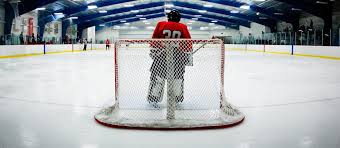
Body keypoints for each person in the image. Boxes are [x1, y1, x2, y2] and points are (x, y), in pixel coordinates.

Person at [147, 9, 191, 104]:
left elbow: (155, 39)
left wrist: (154, 53)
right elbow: (188, 43)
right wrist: (187, 57)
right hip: (178, 58)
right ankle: (177, 98)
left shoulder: (161, 24)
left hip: (161, 56)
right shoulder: (183, 27)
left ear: (168, 18)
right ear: (179, 18)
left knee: (157, 77)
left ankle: (154, 97)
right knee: (177, 78)